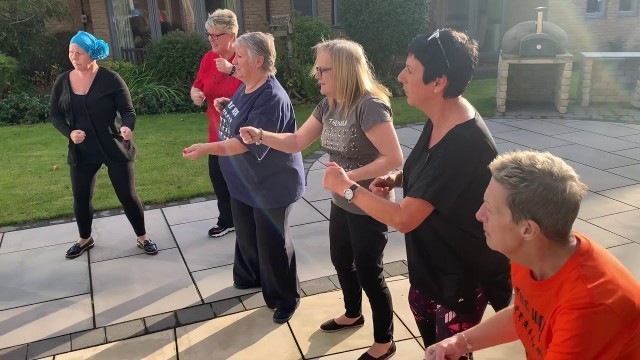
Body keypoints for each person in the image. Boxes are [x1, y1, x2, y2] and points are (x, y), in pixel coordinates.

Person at [322, 29, 512, 352]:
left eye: (410, 71)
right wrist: (398, 179)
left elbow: (404, 218)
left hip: (459, 281)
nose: (400, 77)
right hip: (430, 270)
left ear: (438, 82)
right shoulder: (441, 117)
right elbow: (433, 175)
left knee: (445, 353)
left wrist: (349, 188)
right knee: (431, 350)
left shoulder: (464, 142)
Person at [240, 39, 403, 360]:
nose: (316, 75)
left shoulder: (368, 106)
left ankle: (385, 341)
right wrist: (260, 135)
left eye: (322, 68)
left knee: (371, 272)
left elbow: (393, 157)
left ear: (342, 69)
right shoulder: (329, 104)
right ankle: (353, 313)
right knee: (342, 260)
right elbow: (298, 140)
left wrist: (348, 178)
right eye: (316, 68)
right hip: (342, 200)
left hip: (371, 203)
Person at [426, 150, 640, 360]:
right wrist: (457, 343)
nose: (479, 214)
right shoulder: (535, 253)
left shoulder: (588, 308)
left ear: (528, 229)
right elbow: (525, 315)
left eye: (490, 209)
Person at [183, 32, 304, 324]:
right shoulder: (247, 85)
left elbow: (243, 142)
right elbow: (242, 119)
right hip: (243, 182)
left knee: (273, 243)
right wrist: (228, 107)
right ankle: (250, 277)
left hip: (271, 185)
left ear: (259, 60)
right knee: (247, 236)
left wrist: (206, 148)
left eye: (240, 56)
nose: (233, 61)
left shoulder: (272, 97)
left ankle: (285, 298)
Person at [51, 31, 157, 259]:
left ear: (92, 54)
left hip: (114, 146)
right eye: (70, 52)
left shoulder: (111, 79)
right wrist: (70, 133)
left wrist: (128, 127)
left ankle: (143, 236)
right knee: (81, 196)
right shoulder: (62, 81)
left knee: (127, 195)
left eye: (78, 52)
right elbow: (55, 116)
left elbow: (128, 111)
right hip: (83, 150)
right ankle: (84, 239)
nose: (73, 57)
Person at [190, 9, 242, 238]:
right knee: (219, 179)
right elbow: (198, 84)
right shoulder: (208, 58)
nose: (211, 39)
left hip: (243, 135)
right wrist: (195, 93)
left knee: (242, 183)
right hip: (217, 133)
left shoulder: (245, 55)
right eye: (208, 34)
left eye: (216, 35)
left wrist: (232, 70)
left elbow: (262, 83)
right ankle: (227, 220)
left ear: (231, 35)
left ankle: (247, 221)